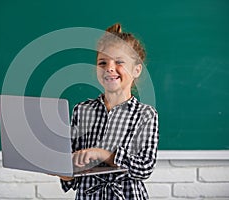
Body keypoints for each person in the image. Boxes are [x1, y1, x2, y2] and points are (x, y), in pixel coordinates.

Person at [59, 23, 159, 200]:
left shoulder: (145, 114)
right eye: (102, 63)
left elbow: (144, 169)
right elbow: (73, 170)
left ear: (137, 70)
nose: (109, 68)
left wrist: (102, 153)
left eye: (119, 62)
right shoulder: (82, 110)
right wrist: (63, 172)